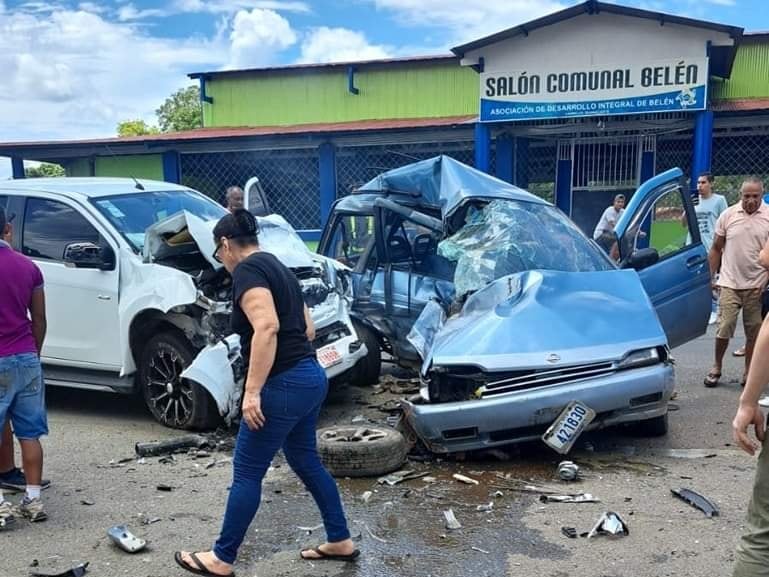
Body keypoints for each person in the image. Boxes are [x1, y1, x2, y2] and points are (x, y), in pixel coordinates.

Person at [174, 209, 358, 577]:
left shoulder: (247, 271)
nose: (222, 261)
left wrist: (253, 392)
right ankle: (340, 539)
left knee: (247, 471)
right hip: (310, 376)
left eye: (219, 254)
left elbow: (267, 327)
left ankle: (221, 557)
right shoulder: (279, 267)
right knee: (305, 460)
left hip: (283, 384)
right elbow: (307, 328)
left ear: (225, 244)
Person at [0, 206, 48, 526]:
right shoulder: (29, 267)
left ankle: (1, 506)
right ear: (7, 228)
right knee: (30, 434)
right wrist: (34, 353)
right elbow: (39, 319)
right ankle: (33, 499)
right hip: (26, 357)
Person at [704, 178, 769, 388]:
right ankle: (716, 366)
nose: (750, 200)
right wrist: (710, 277)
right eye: (746, 196)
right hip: (729, 282)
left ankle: (749, 372)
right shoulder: (728, 215)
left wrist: (766, 281)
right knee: (724, 327)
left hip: (757, 285)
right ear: (740, 195)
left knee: (754, 333)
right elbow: (716, 248)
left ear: (762, 195)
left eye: (755, 196)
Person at [683, 172, 729, 325]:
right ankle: (701, 310)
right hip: (693, 245)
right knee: (695, 280)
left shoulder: (719, 200)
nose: (700, 186)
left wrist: (723, 245)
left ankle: (715, 309)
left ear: (711, 183)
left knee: (710, 278)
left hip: (711, 246)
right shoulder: (694, 201)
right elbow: (683, 223)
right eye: (698, 183)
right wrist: (688, 206)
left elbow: (725, 222)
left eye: (703, 182)